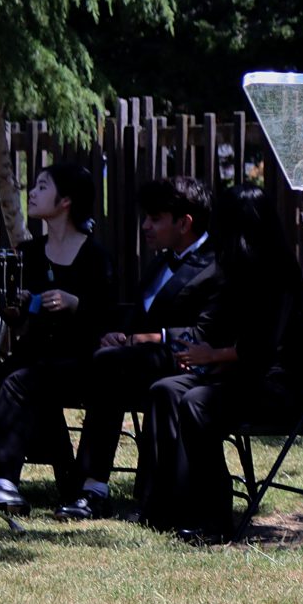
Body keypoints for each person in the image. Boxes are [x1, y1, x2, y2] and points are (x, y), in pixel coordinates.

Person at [135, 185, 303, 537]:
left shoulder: (278, 274)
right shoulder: (235, 270)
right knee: (166, 390)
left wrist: (212, 355)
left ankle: (214, 518)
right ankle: (166, 505)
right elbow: (220, 329)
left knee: (197, 402)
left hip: (278, 386)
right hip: (239, 376)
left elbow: (262, 348)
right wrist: (203, 354)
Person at [57, 175, 226, 520]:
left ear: (185, 223)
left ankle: (92, 486)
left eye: (155, 218)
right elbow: (140, 315)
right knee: (106, 362)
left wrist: (151, 337)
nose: (145, 226)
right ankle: (91, 486)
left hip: (192, 363)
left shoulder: (215, 265)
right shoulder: (161, 262)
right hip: (142, 362)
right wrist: (120, 334)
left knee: (109, 365)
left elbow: (208, 331)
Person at [0, 155, 115, 510]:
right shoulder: (30, 253)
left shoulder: (95, 255)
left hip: (79, 357)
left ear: (66, 201)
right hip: (35, 353)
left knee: (18, 381)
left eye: (42, 187)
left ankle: (3, 479)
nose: (31, 193)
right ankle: (2, 478)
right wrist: (15, 308)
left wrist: (75, 303)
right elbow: (18, 320)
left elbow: (106, 317)